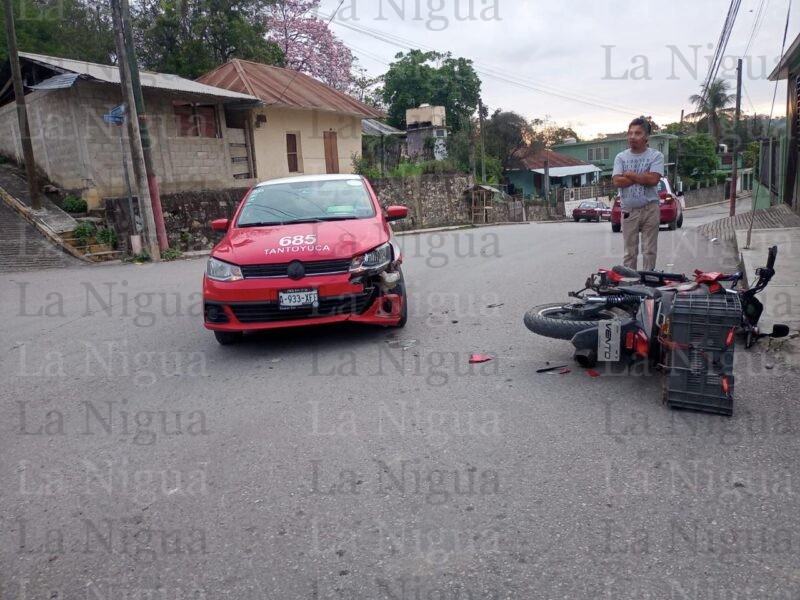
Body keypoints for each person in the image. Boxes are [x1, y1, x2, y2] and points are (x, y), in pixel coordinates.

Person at [612, 117, 664, 271]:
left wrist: (629, 174)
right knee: (630, 253)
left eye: (638, 133)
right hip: (629, 210)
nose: (632, 137)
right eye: (630, 133)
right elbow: (617, 182)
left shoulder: (656, 156)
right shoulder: (620, 157)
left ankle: (648, 282)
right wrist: (642, 176)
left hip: (650, 209)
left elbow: (653, 179)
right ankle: (631, 285)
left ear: (647, 136)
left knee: (649, 251)